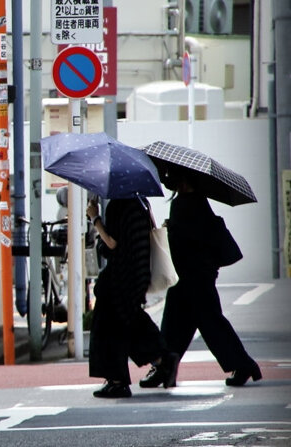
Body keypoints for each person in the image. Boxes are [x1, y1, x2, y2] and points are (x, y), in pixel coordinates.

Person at [140, 167, 262, 388]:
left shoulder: (182, 204)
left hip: (190, 278)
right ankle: (165, 368)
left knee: (201, 324)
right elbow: (198, 236)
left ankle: (242, 365)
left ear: (182, 182)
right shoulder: (199, 202)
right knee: (186, 324)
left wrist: (170, 230)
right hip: (199, 277)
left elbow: (183, 243)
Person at [85, 195, 175, 398]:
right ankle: (163, 360)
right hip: (137, 274)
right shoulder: (140, 203)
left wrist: (95, 219)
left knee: (109, 328)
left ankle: (117, 381)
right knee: (132, 323)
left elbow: (112, 243)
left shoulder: (119, 205)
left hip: (121, 277)